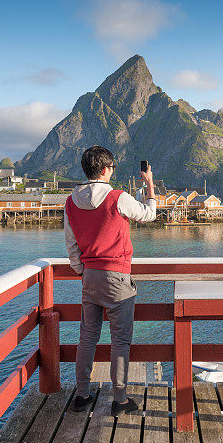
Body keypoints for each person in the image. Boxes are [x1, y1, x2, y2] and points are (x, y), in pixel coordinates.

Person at [64, 145, 157, 415]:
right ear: (105, 170)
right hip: (117, 277)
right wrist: (150, 184)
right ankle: (120, 400)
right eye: (112, 168)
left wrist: (82, 271)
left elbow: (71, 246)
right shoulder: (118, 197)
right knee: (120, 341)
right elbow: (149, 215)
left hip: (90, 277)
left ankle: (82, 395)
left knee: (87, 338)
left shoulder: (71, 201)